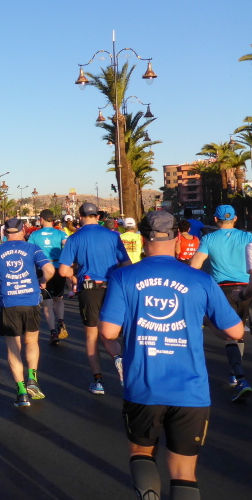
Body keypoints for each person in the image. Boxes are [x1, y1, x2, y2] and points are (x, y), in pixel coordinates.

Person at [99, 210, 243, 500]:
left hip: (143, 387)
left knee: (141, 453)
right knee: (184, 472)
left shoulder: (123, 276)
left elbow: (109, 331)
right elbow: (236, 332)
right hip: (191, 391)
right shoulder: (200, 280)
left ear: (142, 240)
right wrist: (206, 321)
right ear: (178, 239)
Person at [59, 202, 131, 395]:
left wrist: (80, 270)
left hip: (90, 288)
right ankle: (118, 358)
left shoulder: (74, 238)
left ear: (80, 216)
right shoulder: (113, 236)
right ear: (98, 216)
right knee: (110, 333)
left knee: (91, 337)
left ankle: (98, 381)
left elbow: (63, 271)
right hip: (113, 288)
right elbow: (127, 264)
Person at [0, 218, 55, 407]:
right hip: (31, 301)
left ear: (5, 232)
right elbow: (49, 269)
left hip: (9, 303)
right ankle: (32, 377)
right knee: (31, 341)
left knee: (13, 348)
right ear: (23, 230)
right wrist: (42, 280)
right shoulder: (32, 248)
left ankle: (22, 393)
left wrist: (1, 282)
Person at [190, 205, 252, 402]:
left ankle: (238, 377)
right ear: (235, 219)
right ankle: (237, 372)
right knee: (240, 331)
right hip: (248, 287)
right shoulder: (248, 237)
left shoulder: (208, 239)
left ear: (215, 220)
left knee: (231, 334)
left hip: (224, 290)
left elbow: (195, 266)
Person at [28, 209, 69, 345]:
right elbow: (68, 247)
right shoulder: (60, 233)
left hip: (43, 269)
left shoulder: (34, 235)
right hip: (58, 268)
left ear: (41, 219)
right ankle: (61, 320)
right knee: (59, 299)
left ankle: (53, 332)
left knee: (47, 304)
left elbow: (29, 251)